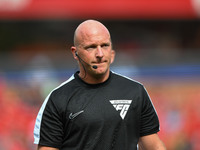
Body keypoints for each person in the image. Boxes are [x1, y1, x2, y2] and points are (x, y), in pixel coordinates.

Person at [33, 19, 166, 150]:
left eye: (104, 45)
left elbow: (153, 145)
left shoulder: (135, 92)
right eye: (91, 47)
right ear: (75, 52)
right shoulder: (58, 99)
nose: (100, 54)